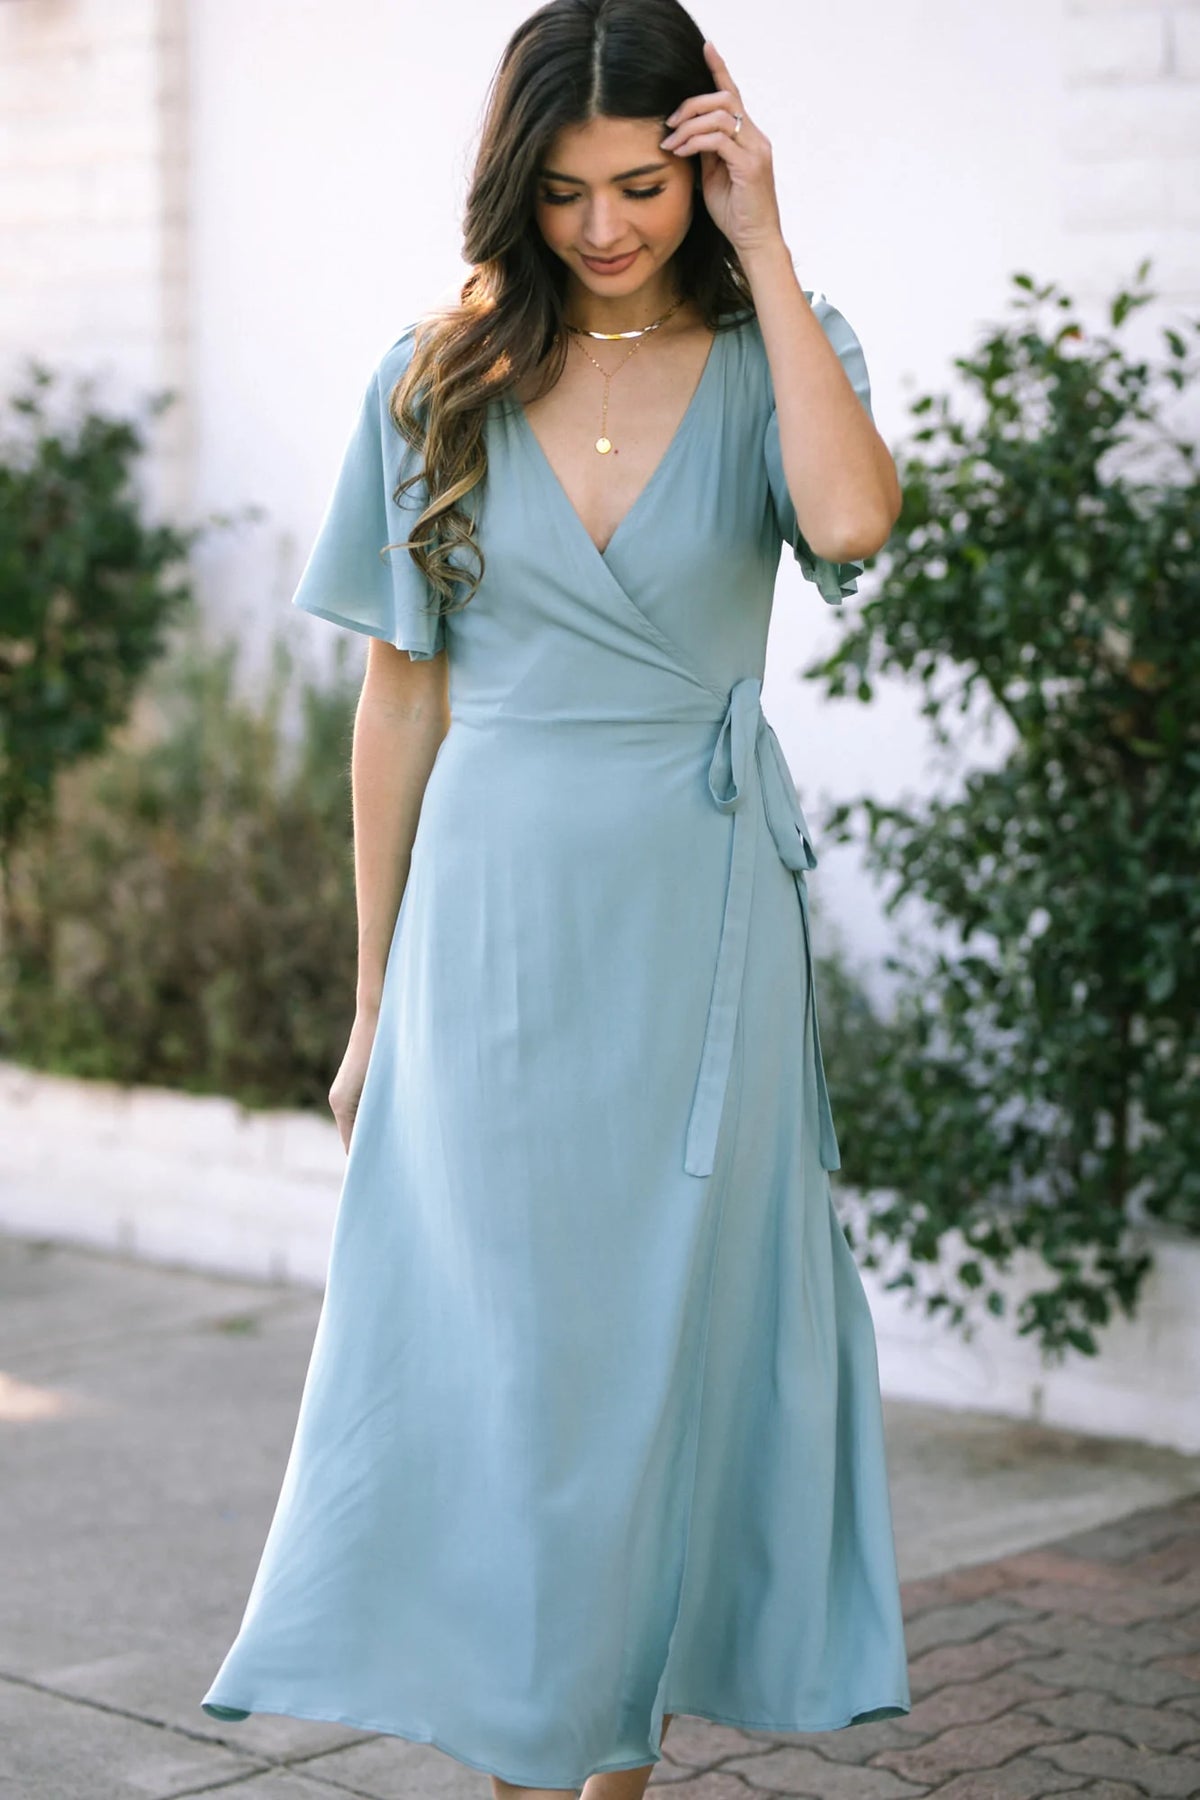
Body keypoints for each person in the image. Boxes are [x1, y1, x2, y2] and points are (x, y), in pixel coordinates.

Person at [200, 3, 911, 1796]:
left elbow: (849, 523)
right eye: (568, 190)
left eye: (644, 188)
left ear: (704, 167)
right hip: (492, 932)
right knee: (513, 1380)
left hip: (699, 924)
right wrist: (373, 1001)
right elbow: (400, 703)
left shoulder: (779, 347)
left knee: (656, 1367)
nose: (606, 227)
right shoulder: (433, 379)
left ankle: (611, 1771)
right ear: (514, 185)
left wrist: (765, 243)